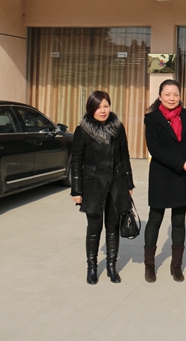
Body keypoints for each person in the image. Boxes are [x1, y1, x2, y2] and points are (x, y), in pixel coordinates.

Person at [70, 90, 135, 285]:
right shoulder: (82, 131)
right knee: (94, 229)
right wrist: (76, 190)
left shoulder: (117, 128)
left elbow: (124, 156)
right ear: (91, 109)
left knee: (113, 227)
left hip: (116, 184)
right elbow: (76, 162)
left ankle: (111, 267)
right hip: (93, 186)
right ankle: (92, 268)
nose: (103, 110)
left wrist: (128, 183)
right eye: (98, 107)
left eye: (106, 106)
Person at [143, 79, 186, 283]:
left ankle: (176, 265)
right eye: (167, 94)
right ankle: (150, 265)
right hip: (162, 175)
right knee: (155, 220)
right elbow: (155, 149)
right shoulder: (152, 119)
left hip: (182, 176)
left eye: (175, 94)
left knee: (179, 222)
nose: (172, 98)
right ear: (160, 96)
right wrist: (180, 163)